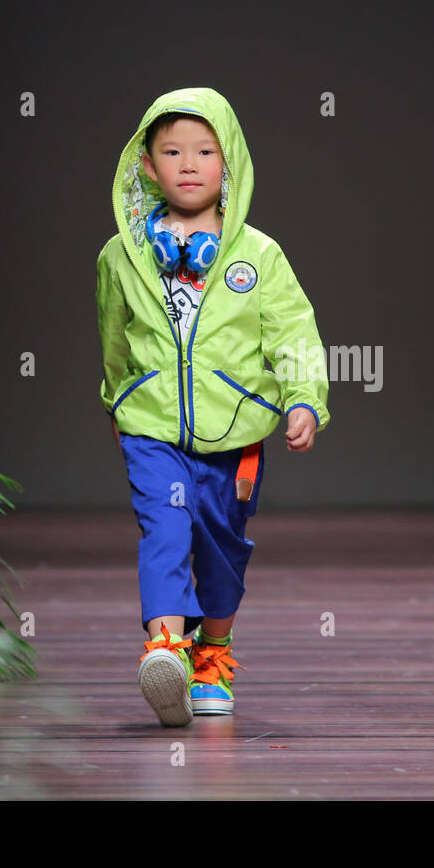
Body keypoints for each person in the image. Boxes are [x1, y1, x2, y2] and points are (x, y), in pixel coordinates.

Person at [96, 88, 330, 726]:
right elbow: (114, 341)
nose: (189, 163)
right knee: (165, 530)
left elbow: (294, 333)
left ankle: (213, 650)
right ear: (146, 165)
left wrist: (304, 398)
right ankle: (166, 646)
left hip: (237, 436)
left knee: (222, 551)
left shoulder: (259, 256)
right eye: (172, 151)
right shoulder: (122, 256)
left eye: (205, 151)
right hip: (152, 430)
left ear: (231, 164)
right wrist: (118, 405)